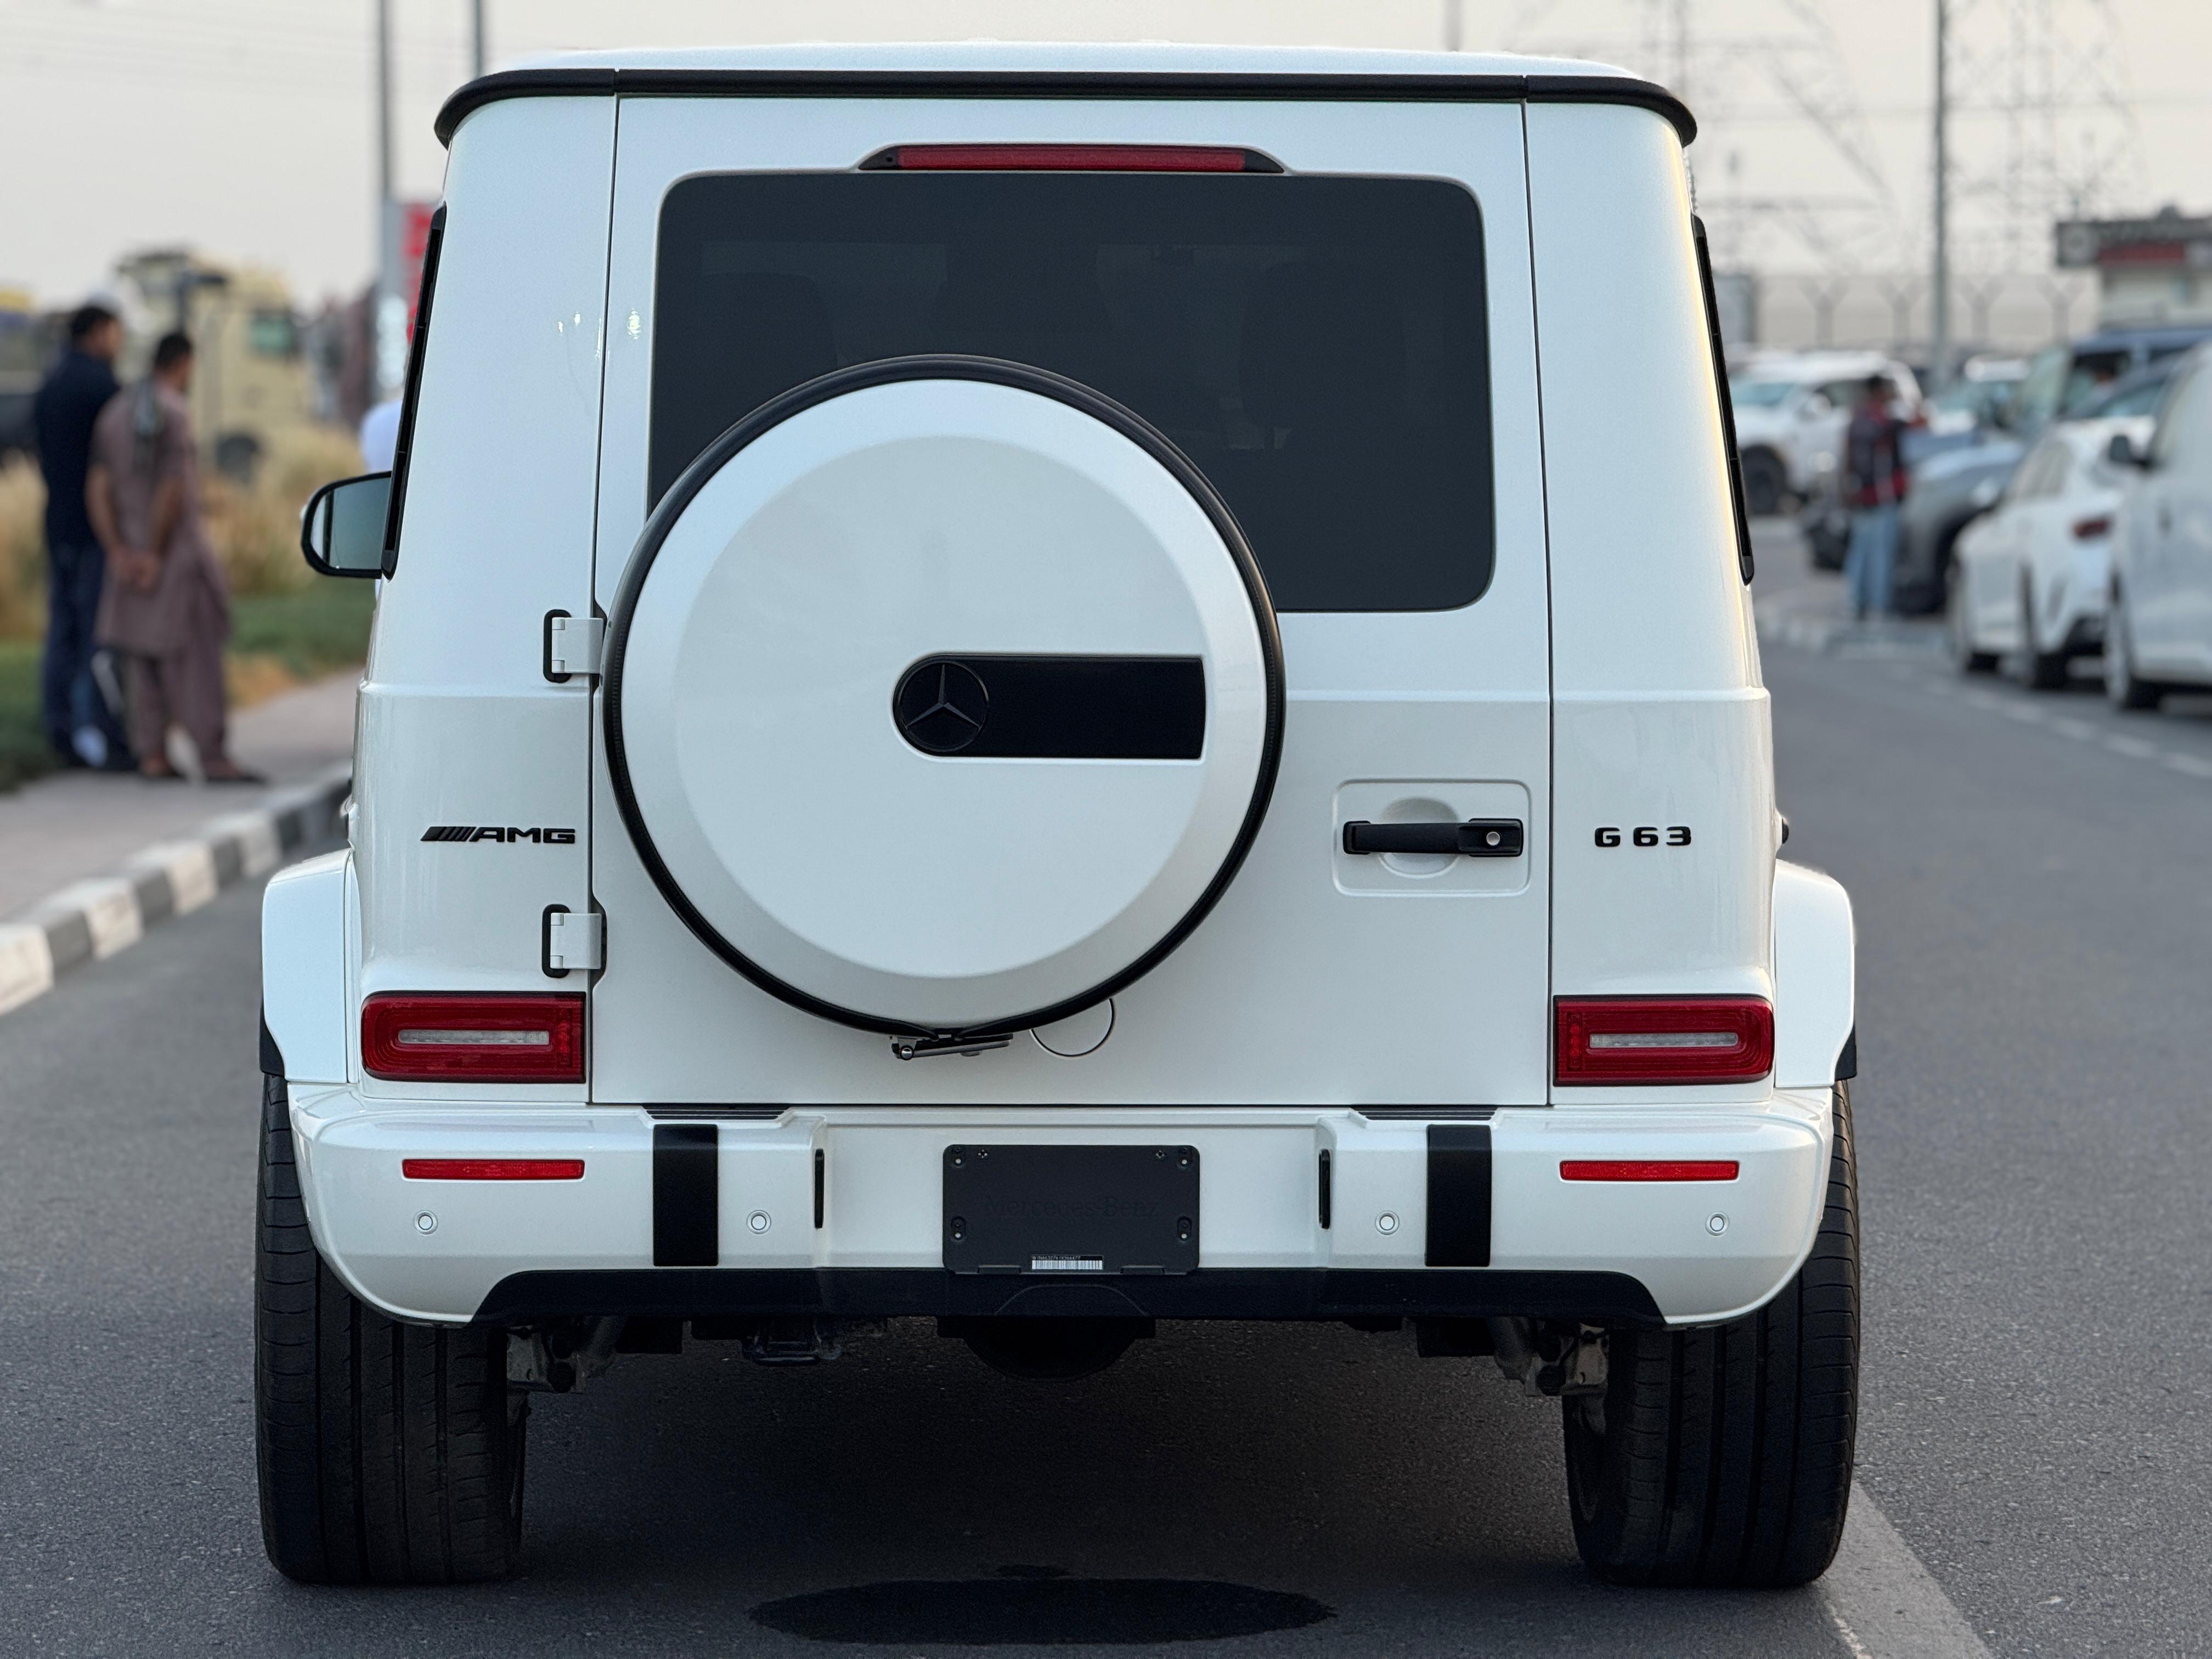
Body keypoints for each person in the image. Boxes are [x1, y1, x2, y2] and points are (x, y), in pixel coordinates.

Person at [85, 332, 263, 783]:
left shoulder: (113, 414)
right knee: (196, 658)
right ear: (183, 363)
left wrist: (118, 551)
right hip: (172, 557)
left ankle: (153, 754)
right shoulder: (175, 412)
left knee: (140, 659)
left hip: (127, 559)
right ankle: (213, 755)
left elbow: (99, 488)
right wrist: (153, 553)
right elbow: (173, 488)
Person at [30, 302, 133, 770]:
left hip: (58, 524)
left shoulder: (50, 387)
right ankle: (108, 736)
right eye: (115, 333)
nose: (119, 343)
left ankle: (60, 731)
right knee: (100, 638)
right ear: (98, 332)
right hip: (97, 531)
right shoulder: (102, 388)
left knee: (62, 634)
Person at [1841, 374, 1910, 621]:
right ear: (1879, 392)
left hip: (1861, 496)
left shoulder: (1856, 421)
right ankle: (1880, 606)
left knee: (1859, 551)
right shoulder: (1883, 421)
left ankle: (1855, 602)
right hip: (1883, 496)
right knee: (1882, 554)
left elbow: (1847, 459)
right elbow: (1917, 424)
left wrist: (1847, 490)